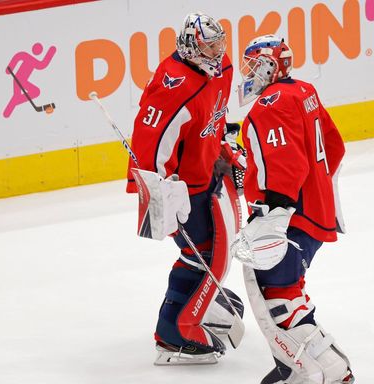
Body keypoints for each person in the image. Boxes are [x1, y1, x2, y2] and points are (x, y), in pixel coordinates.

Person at [125, 11, 246, 365]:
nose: (218, 52)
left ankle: (202, 302)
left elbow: (216, 116)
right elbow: (149, 151)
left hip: (208, 172)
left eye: (220, 44)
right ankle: (173, 332)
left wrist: (225, 150)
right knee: (202, 254)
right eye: (210, 46)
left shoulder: (221, 68)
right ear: (192, 46)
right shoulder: (173, 85)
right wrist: (161, 199)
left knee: (217, 248)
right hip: (183, 188)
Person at [233, 34, 354, 384]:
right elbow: (334, 147)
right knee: (292, 291)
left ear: (270, 66)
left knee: (281, 300)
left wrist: (273, 216)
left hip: (288, 220)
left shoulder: (269, 103)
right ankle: (298, 368)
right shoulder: (303, 91)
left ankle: (329, 372)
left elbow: (284, 163)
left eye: (254, 65)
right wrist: (315, 191)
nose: (249, 73)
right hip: (314, 212)